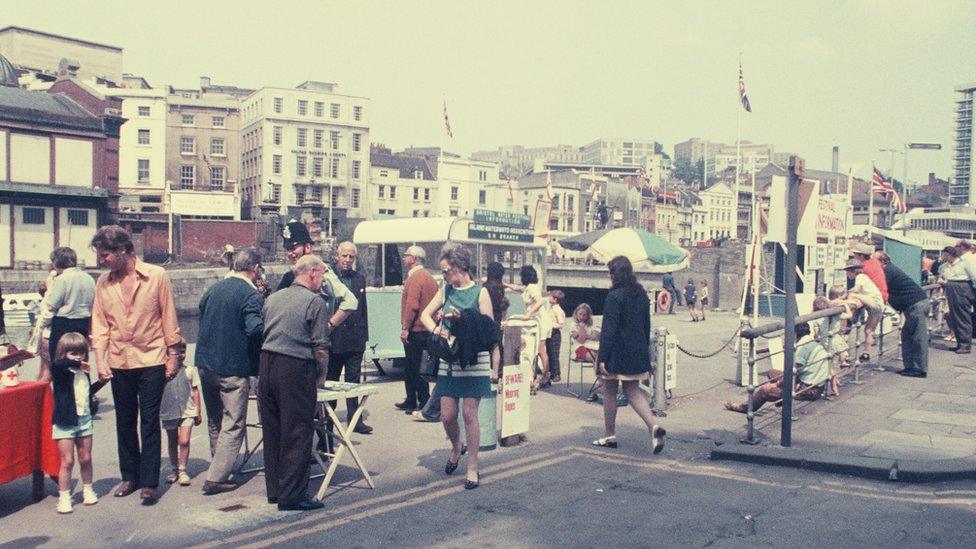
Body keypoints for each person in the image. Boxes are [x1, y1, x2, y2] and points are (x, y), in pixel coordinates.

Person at [90, 225, 181, 505]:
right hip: (119, 361)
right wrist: (101, 361)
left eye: (105, 255)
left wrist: (173, 355)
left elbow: (168, 316)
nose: (101, 260)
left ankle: (150, 482)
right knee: (124, 420)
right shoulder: (103, 284)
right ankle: (130, 476)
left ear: (122, 250)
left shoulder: (157, 276)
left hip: (152, 358)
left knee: (150, 420)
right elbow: (100, 325)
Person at [420, 244, 497, 490]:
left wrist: (462, 319)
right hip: (450, 359)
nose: (443, 276)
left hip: (474, 360)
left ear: (460, 267)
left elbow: (488, 329)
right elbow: (425, 315)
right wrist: (438, 329)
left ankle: (472, 466)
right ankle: (456, 446)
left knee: (469, 415)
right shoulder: (446, 289)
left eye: (446, 271)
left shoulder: (480, 293)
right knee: (447, 415)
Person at [259, 254, 331, 512]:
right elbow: (320, 347)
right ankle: (293, 495)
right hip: (295, 366)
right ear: (311, 273)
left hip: (267, 364)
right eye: (322, 274)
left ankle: (276, 490)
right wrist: (319, 380)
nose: (323, 280)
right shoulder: (315, 302)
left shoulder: (272, 298)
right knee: (298, 431)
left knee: (273, 429)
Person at [196, 249, 265, 495]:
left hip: (205, 364)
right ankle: (216, 477)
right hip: (232, 367)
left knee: (216, 420)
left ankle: (219, 466)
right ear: (255, 268)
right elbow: (255, 329)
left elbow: (202, 318)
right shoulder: (250, 294)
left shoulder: (212, 290)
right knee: (234, 423)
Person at [591, 256, 666, 454]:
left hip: (616, 353)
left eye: (610, 272)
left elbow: (609, 330)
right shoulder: (641, 294)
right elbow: (646, 326)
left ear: (616, 275)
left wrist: (602, 357)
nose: (608, 276)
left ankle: (610, 435)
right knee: (632, 391)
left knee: (609, 392)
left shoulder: (614, 297)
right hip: (636, 351)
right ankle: (653, 426)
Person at [724, 322, 830, 412]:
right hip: (814, 384)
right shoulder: (812, 342)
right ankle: (782, 398)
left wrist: (777, 384)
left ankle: (745, 408)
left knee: (765, 390)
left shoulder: (802, 348)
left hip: (808, 389)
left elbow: (793, 372)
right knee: (772, 373)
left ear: (793, 333)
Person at [39, 247, 96, 404]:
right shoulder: (89, 279)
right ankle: (83, 399)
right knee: (80, 363)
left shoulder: (62, 279)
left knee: (59, 365)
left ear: (57, 262)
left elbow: (51, 305)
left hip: (63, 324)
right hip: (83, 324)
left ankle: (62, 401)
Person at [49, 332, 98, 514]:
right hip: (64, 422)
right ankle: (64, 497)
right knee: (67, 461)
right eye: (72, 353)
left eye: (81, 352)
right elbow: (56, 364)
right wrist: (77, 364)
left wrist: (101, 382)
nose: (78, 356)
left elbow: (87, 392)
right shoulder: (60, 370)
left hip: (84, 419)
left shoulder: (83, 372)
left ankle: (88, 489)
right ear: (63, 353)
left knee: (85, 458)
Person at [327, 242, 372, 434]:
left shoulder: (359, 279)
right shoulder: (328, 278)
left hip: (354, 339)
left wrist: (364, 335)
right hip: (333, 338)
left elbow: (362, 309)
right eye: (344, 256)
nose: (347, 260)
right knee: (331, 382)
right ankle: (327, 423)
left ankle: (356, 421)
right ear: (337, 256)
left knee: (353, 382)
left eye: (351, 257)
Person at [396, 245, 439, 414]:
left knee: (415, 367)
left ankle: (422, 401)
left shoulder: (415, 278)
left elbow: (412, 306)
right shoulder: (430, 278)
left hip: (416, 329)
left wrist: (405, 327)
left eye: (406, 256)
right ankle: (411, 399)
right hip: (427, 328)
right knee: (419, 366)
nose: (404, 258)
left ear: (414, 258)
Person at [881, 254, 931, 377]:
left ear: (882, 261)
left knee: (918, 336)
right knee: (908, 335)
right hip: (915, 304)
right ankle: (910, 367)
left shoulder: (887, 271)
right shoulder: (890, 269)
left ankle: (919, 369)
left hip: (915, 305)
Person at [159, 340, 201, 487]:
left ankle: (183, 470)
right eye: (177, 352)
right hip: (169, 411)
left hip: (188, 411)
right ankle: (174, 469)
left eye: (183, 351)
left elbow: (195, 391)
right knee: (172, 440)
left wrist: (198, 411)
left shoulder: (190, 370)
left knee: (184, 441)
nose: (180, 355)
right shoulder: (163, 373)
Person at [516, 265, 551, 393]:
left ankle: (546, 375)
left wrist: (528, 314)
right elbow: (518, 288)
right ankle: (540, 375)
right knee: (536, 348)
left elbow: (539, 302)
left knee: (540, 349)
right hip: (536, 320)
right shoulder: (528, 288)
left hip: (540, 320)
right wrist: (505, 285)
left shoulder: (532, 288)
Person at [842, 258, 884, 359]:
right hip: (878, 305)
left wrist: (845, 295)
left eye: (847, 272)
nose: (847, 274)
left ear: (852, 270)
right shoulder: (865, 277)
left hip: (874, 302)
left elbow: (856, 290)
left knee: (852, 295)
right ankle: (866, 353)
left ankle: (849, 315)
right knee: (868, 330)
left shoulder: (860, 276)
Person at [938, 246, 972, 354]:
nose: (943, 257)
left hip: (960, 289)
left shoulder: (963, 263)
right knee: (955, 317)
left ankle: (965, 345)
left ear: (949, 255)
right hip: (951, 288)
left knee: (962, 317)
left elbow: (972, 276)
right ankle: (960, 343)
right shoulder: (944, 266)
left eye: (944, 255)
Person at [812, 296, 843, 397]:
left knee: (830, 367)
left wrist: (815, 338)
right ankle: (836, 382)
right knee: (832, 364)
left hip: (825, 343)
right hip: (835, 341)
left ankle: (833, 387)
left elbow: (816, 335)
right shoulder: (832, 316)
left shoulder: (816, 318)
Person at [546, 290, 566, 383]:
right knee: (549, 353)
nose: (549, 298)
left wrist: (551, 325)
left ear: (555, 299)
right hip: (549, 333)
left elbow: (561, 324)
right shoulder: (551, 308)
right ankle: (551, 373)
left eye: (551, 297)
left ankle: (557, 374)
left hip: (555, 334)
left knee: (554, 354)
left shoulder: (557, 310)